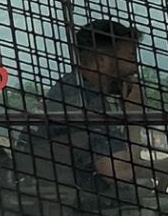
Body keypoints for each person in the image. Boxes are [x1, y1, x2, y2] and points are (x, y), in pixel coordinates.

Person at [43, 19, 143, 190]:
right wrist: (134, 114)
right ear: (101, 61)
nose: (135, 69)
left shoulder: (76, 89)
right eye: (130, 58)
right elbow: (119, 173)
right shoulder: (84, 101)